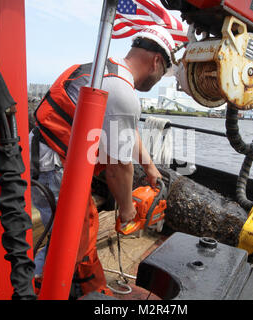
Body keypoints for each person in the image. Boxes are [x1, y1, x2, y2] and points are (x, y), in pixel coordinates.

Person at [29, 25, 176, 298]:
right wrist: (127, 211)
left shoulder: (106, 71)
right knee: (74, 237)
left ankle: (49, 280)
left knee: (69, 234)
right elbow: (119, 169)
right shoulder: (122, 91)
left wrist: (150, 167)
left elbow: (127, 131)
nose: (158, 79)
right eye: (163, 72)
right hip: (54, 165)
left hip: (48, 155)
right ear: (157, 61)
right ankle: (45, 288)